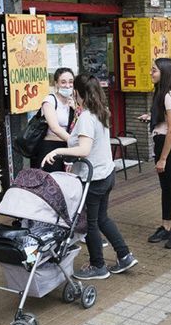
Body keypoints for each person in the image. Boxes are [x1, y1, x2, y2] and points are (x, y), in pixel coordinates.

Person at [42, 74, 137, 280]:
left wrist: (58, 152)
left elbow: (84, 149)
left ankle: (98, 265)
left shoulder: (86, 117)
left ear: (78, 92)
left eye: (73, 88)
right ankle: (124, 255)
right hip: (106, 173)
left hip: (93, 179)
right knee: (102, 218)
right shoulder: (101, 111)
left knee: (91, 223)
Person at [140, 58, 171, 249]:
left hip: (170, 147)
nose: (151, 73)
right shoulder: (162, 93)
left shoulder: (169, 95)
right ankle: (165, 226)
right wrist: (151, 117)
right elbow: (166, 121)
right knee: (166, 188)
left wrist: (162, 158)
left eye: (154, 71)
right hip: (162, 143)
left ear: (165, 73)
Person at [32, 67, 75, 173]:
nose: (68, 85)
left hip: (68, 148)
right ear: (56, 83)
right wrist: (74, 142)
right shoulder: (49, 101)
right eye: (63, 82)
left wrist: (75, 109)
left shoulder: (73, 101)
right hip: (50, 147)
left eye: (71, 82)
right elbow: (54, 127)